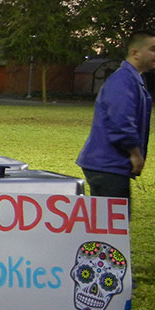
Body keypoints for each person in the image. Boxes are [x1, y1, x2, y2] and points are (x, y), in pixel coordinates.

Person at [76, 30, 153, 210]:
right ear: (135, 53)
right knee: (111, 228)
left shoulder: (132, 79)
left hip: (108, 164)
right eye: (152, 49)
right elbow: (121, 122)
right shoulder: (123, 81)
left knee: (108, 226)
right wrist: (135, 154)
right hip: (107, 165)